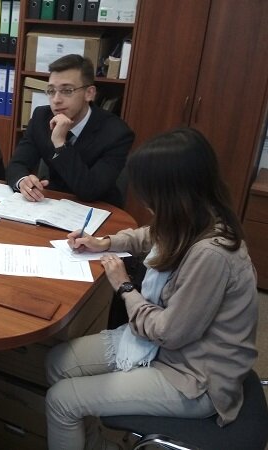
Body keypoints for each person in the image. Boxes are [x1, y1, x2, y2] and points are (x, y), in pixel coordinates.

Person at [44, 127, 258, 450]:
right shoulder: (194, 217)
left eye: (150, 195)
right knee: (56, 363)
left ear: (172, 195)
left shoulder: (211, 254)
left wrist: (125, 287)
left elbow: (167, 333)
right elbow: (150, 235)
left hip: (193, 377)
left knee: (62, 400)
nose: (145, 203)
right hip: (168, 348)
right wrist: (104, 242)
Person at [6, 54, 134, 206]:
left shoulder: (116, 133)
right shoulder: (41, 117)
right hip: (51, 204)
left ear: (89, 93)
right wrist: (23, 181)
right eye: (51, 91)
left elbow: (90, 190)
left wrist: (60, 144)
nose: (56, 100)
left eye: (67, 91)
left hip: (98, 209)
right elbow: (16, 165)